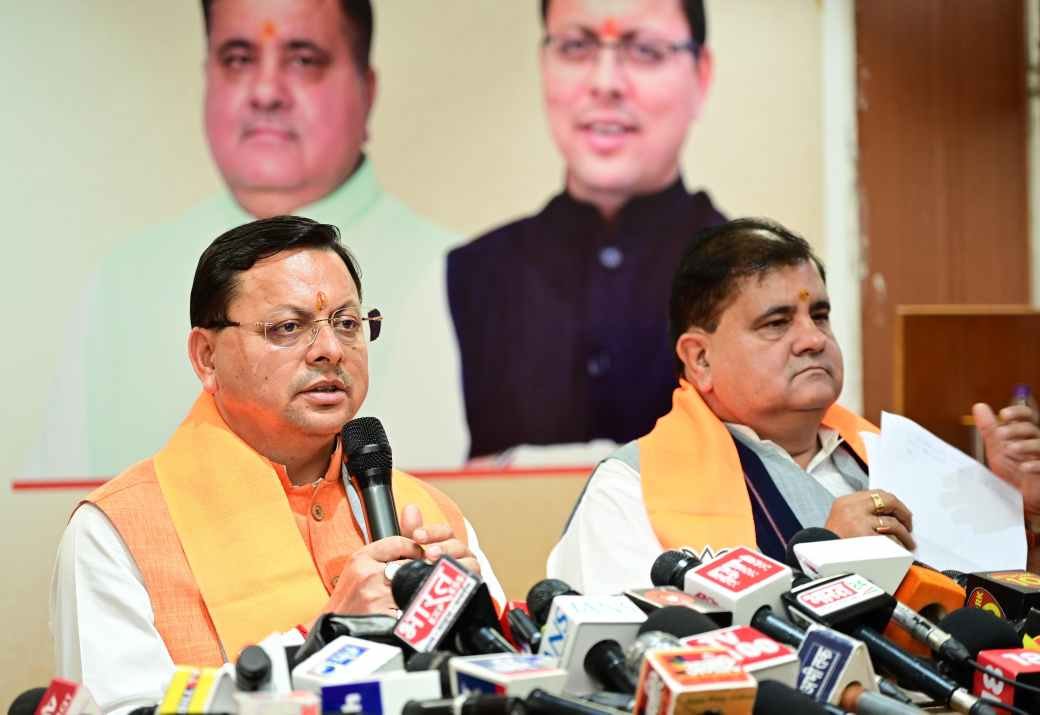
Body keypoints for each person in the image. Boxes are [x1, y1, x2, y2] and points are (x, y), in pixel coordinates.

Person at [50, 216, 503, 714]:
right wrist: (326, 643)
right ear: (206, 357)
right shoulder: (119, 532)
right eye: (288, 327)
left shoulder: (426, 512)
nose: (330, 350)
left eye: (347, 323)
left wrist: (471, 631)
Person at [23, 0, 465, 482]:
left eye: (303, 60)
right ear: (205, 356)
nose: (266, 93)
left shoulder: (466, 277)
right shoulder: (120, 281)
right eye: (237, 59)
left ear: (368, 89)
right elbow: (45, 505)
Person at [547, 218, 1040, 594]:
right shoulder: (631, 487)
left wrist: (1015, 515)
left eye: (819, 315)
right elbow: (636, 657)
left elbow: (991, 623)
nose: (812, 339)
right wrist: (823, 563)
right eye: (777, 323)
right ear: (700, 359)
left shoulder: (890, 457)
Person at [448, 0, 724, 460]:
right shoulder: (475, 274)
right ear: (544, 64)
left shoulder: (748, 277)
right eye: (576, 46)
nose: (605, 83)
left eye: (646, 50)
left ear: (702, 74)